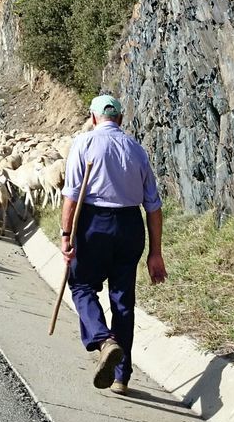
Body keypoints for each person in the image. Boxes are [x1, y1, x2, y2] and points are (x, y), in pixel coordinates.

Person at [60, 93, 166, 395]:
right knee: (123, 301)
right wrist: (155, 253)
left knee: (81, 285)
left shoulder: (84, 143)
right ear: (120, 119)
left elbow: (71, 197)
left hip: (94, 224)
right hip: (130, 226)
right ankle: (121, 377)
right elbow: (154, 207)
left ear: (94, 118)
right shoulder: (137, 151)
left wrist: (66, 236)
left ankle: (104, 340)